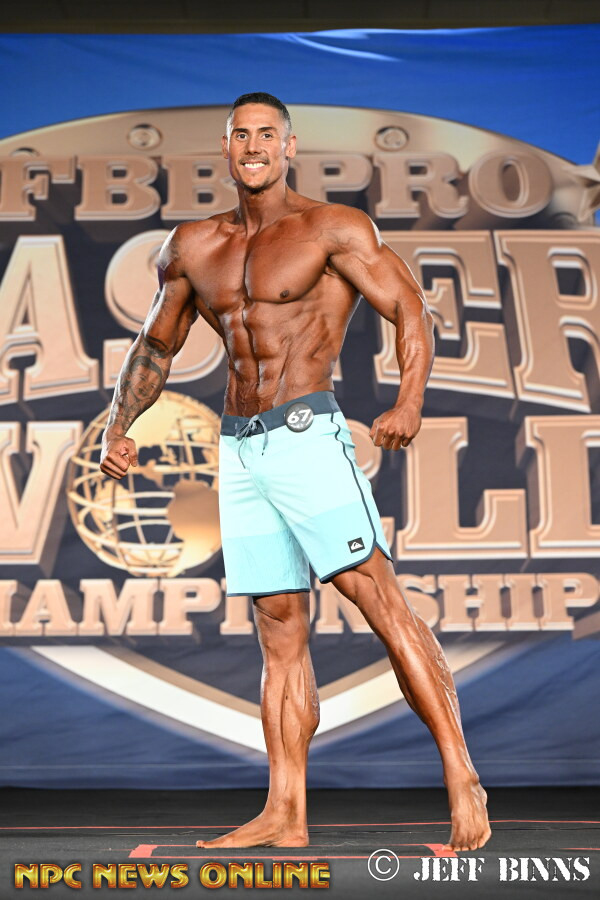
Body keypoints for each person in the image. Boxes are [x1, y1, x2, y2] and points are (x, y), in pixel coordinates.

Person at [100, 92, 491, 852]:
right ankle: (285, 810)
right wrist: (120, 424)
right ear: (225, 147)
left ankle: (462, 774)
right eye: (241, 135)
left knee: (380, 602)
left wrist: (410, 400)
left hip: (308, 435)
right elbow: (156, 345)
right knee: (278, 628)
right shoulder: (193, 246)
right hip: (240, 446)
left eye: (267, 135)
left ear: (289, 146)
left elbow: (410, 308)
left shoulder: (331, 228)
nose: (253, 146)